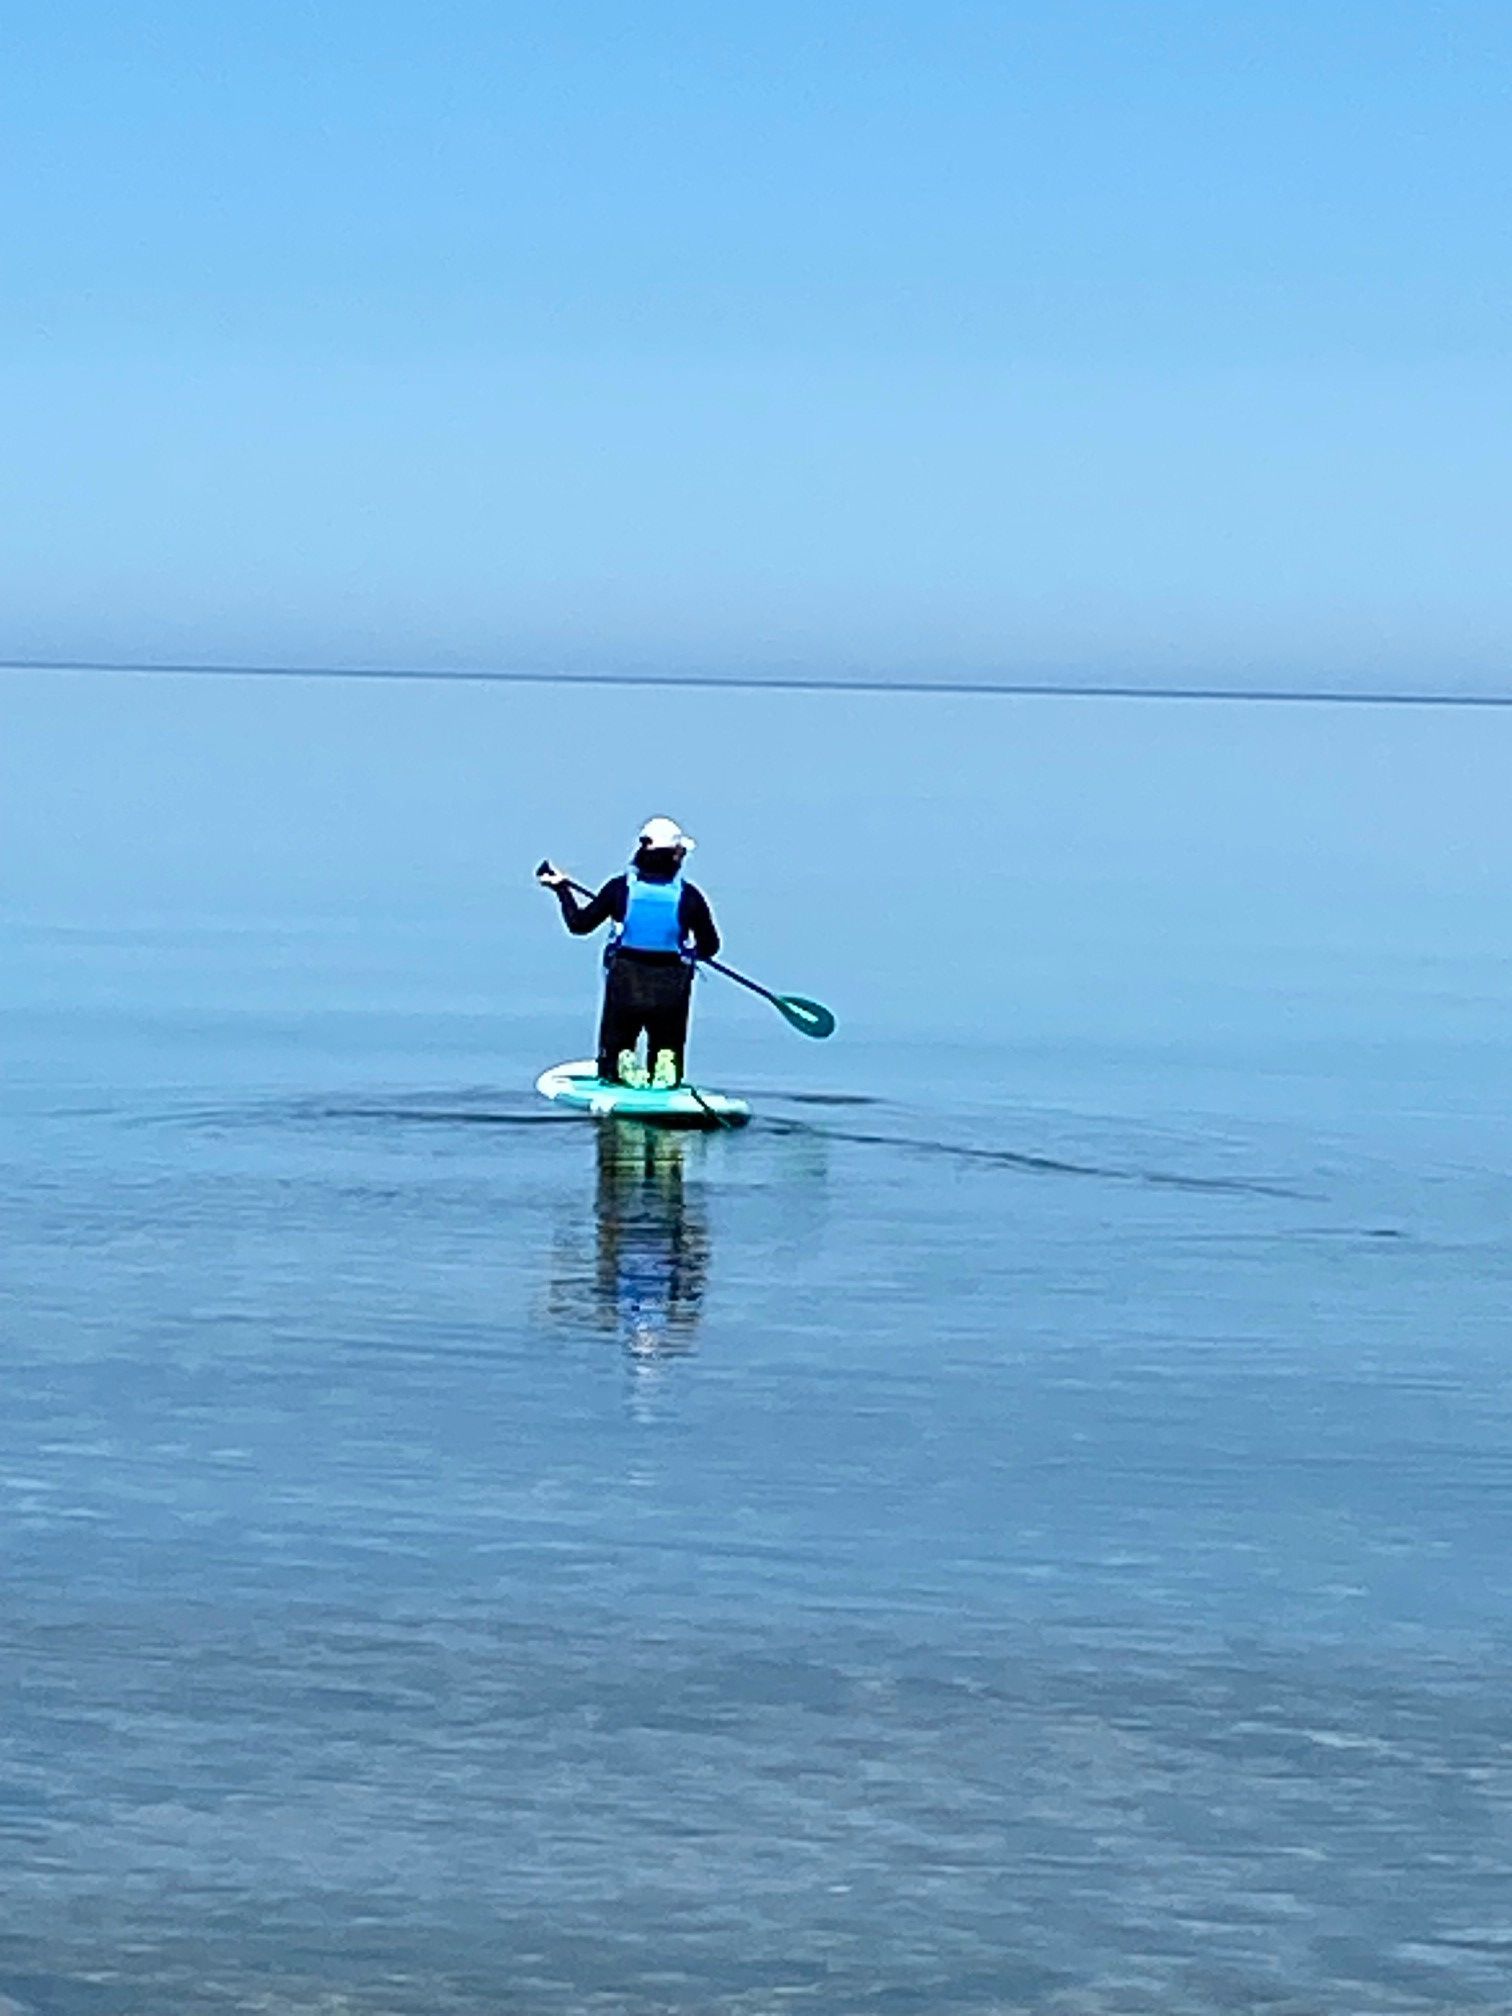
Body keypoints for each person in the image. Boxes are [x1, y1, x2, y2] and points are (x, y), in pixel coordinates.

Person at [538, 817, 720, 1087]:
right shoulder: (690, 896)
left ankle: (621, 1063)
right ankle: (665, 1066)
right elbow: (710, 947)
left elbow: (579, 925)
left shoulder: (619, 889)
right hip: (671, 990)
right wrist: (692, 949)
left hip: (626, 984)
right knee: (667, 1044)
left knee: (616, 1048)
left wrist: (562, 889)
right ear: (676, 856)